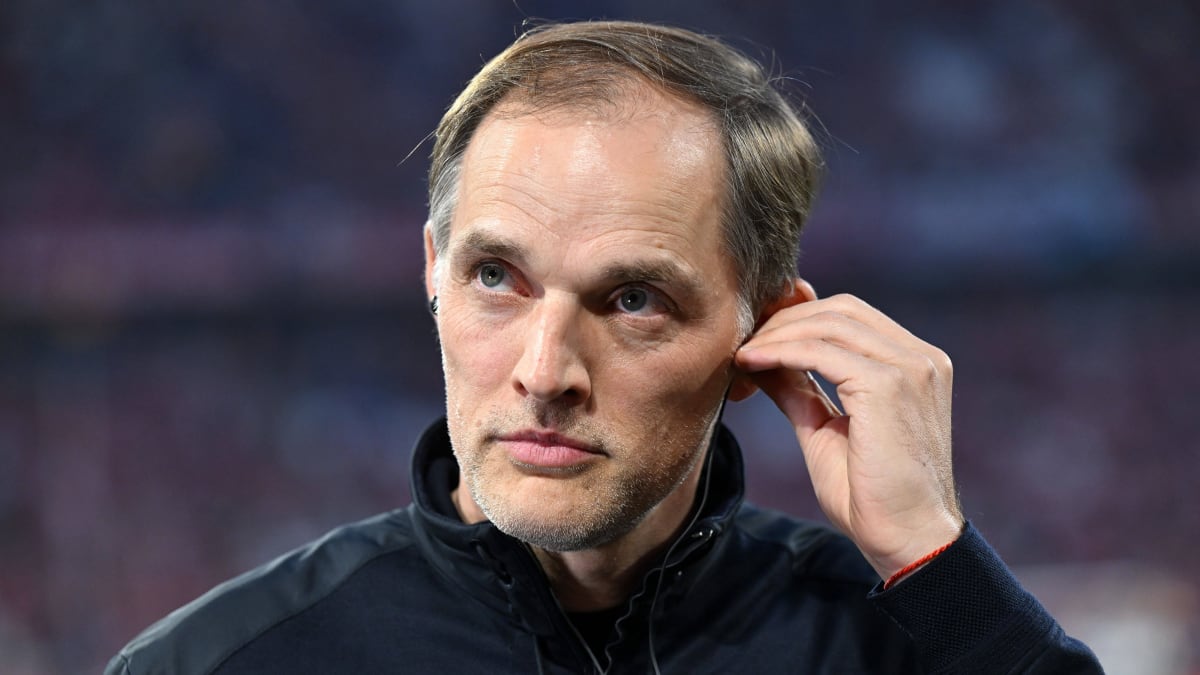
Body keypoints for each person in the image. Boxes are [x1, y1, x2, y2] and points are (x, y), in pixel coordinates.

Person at [107, 20, 1103, 674]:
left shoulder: (907, 644)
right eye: (496, 276)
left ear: (762, 329)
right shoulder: (218, 663)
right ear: (433, 270)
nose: (545, 373)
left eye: (632, 299)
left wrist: (933, 554)